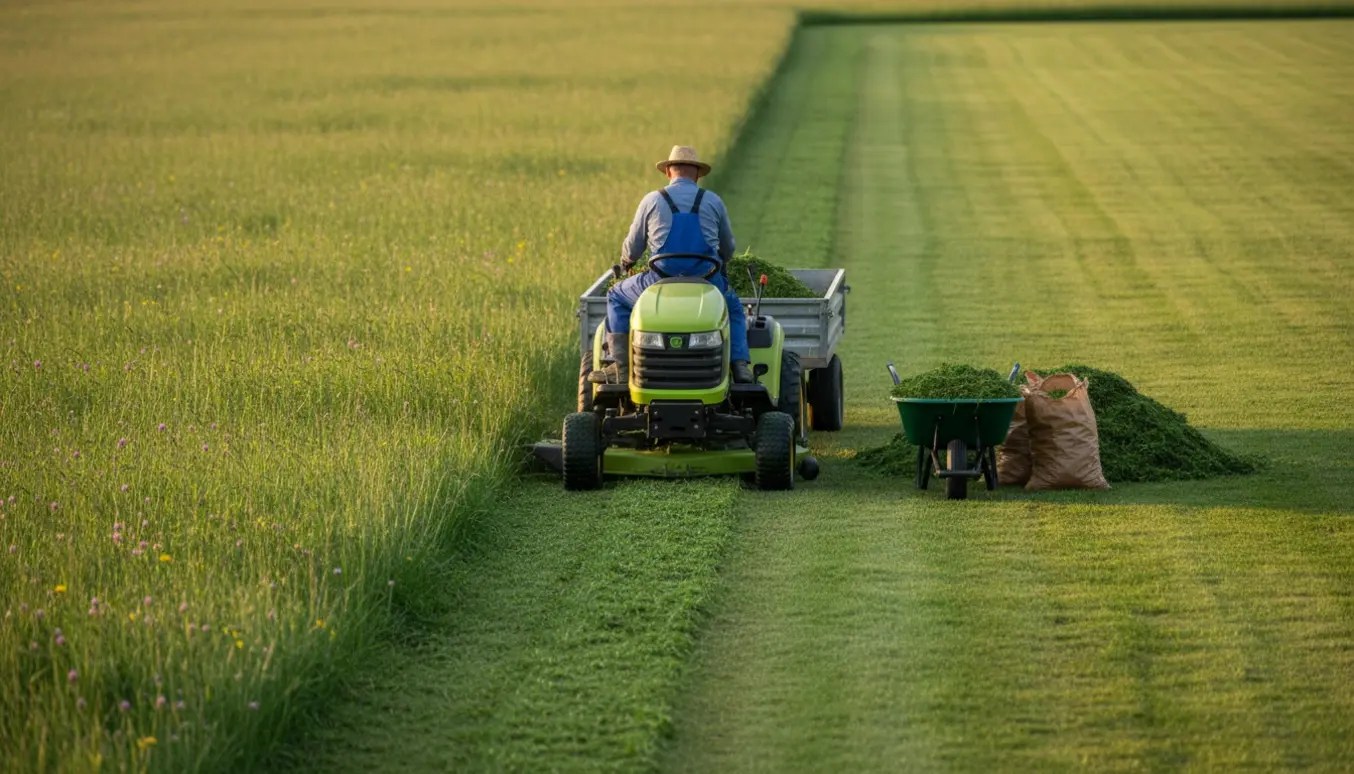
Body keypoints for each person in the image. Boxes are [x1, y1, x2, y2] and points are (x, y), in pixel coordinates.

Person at [593, 146, 753, 385]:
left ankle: (621, 367)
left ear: (669, 171)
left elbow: (634, 246)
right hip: (707, 280)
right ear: (697, 174)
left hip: (659, 281)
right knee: (734, 307)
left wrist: (627, 262)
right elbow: (728, 247)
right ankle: (739, 366)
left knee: (616, 295)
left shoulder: (652, 200)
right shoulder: (713, 201)